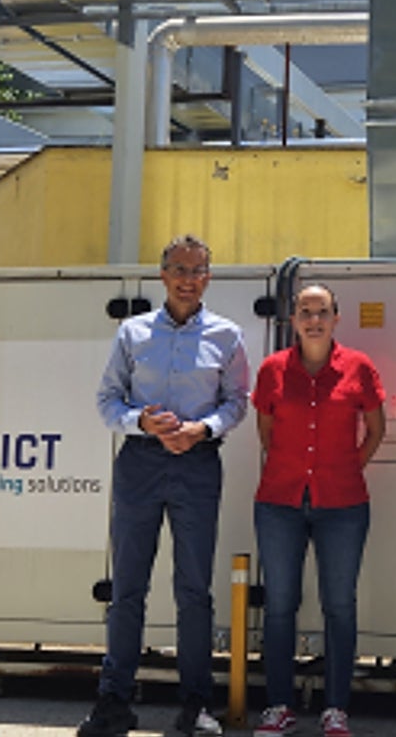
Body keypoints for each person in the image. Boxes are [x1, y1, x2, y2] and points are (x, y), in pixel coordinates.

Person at [80, 234, 251, 737]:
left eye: (198, 270)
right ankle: (114, 701)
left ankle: (195, 704)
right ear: (163, 274)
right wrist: (141, 422)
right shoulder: (132, 333)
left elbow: (236, 401)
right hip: (140, 464)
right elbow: (107, 400)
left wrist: (203, 430)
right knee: (128, 586)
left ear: (208, 278)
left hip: (198, 466)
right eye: (179, 269)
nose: (188, 279)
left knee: (193, 589)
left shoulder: (227, 335)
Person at [250, 283, 386, 737]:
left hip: (343, 504)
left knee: (340, 606)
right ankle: (279, 706)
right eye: (305, 311)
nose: (313, 320)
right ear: (293, 319)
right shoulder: (272, 370)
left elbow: (374, 430)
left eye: (322, 311)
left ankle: (336, 708)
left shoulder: (359, 368)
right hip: (279, 503)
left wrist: (344, 466)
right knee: (280, 606)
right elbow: (266, 432)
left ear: (336, 318)